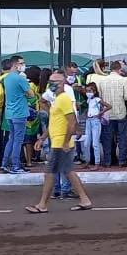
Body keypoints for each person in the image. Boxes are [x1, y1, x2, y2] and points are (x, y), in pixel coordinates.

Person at [25, 72, 94, 214]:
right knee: (67, 171)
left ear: (62, 83)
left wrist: (66, 141)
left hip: (61, 142)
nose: (51, 84)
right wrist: (43, 138)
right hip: (58, 141)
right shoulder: (56, 100)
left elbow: (72, 121)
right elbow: (55, 122)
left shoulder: (63, 99)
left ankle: (43, 204)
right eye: (50, 81)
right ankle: (84, 199)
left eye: (55, 81)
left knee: (51, 172)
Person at [94, 60, 127, 166]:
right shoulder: (124, 80)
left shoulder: (102, 81)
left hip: (107, 114)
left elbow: (100, 97)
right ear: (119, 69)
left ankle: (108, 161)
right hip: (120, 112)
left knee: (107, 138)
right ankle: (122, 160)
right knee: (122, 137)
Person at [1, 58, 32, 174]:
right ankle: (15, 166)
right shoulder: (20, 78)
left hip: (9, 113)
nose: (24, 65)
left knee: (12, 139)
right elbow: (31, 94)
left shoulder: (7, 78)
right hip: (20, 112)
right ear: (15, 65)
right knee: (18, 140)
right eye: (21, 63)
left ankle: (5, 164)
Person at [78, 81, 110, 169]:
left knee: (95, 143)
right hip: (89, 120)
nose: (88, 93)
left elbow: (109, 106)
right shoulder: (88, 100)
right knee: (86, 142)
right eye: (87, 91)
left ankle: (97, 163)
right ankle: (87, 161)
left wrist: (100, 113)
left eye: (90, 91)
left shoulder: (97, 99)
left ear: (94, 92)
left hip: (95, 121)